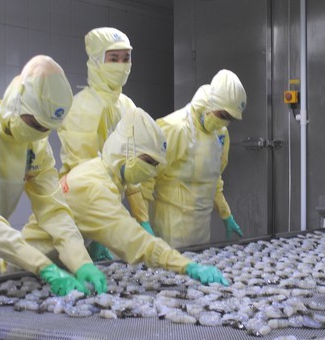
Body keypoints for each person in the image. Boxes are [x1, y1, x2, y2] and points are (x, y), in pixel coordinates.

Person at [22, 107, 229, 286]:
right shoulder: (95, 186)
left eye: (156, 165)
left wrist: (95, 238)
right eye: (148, 161)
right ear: (126, 151)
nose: (151, 170)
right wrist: (187, 266)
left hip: (53, 266)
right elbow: (133, 241)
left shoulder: (100, 171)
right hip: (26, 270)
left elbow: (83, 217)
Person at [0, 55, 106, 296]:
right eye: (33, 123)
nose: (38, 133)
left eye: (45, 128)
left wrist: (81, 261)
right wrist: (44, 267)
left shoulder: (35, 144)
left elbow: (53, 208)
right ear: (16, 100)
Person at [24, 27, 151, 261]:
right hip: (72, 212)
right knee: (36, 270)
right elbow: (87, 178)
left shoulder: (127, 106)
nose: (122, 65)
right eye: (113, 59)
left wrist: (142, 218)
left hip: (103, 212)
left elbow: (131, 168)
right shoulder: (83, 108)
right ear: (96, 61)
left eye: (126, 58)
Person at [149, 69, 247, 248]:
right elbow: (145, 179)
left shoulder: (220, 135)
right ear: (209, 104)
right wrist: (142, 223)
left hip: (201, 230)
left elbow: (213, 180)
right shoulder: (175, 128)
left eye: (230, 119)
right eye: (222, 115)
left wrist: (226, 214)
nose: (225, 122)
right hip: (170, 229)